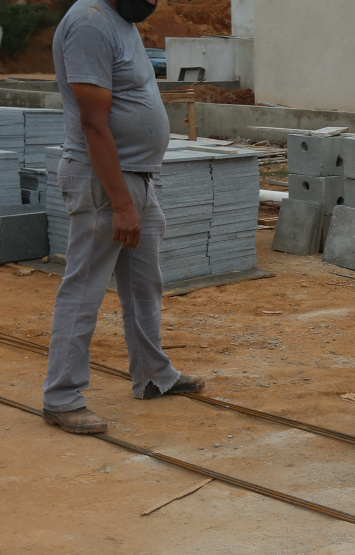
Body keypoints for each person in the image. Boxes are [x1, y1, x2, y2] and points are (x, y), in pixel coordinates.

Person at [42, 0, 204, 435]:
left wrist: (134, 196)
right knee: (84, 289)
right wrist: (122, 204)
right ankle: (62, 397)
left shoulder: (120, 21)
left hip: (134, 179)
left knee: (142, 285)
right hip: (103, 183)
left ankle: (153, 376)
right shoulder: (91, 22)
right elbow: (94, 123)